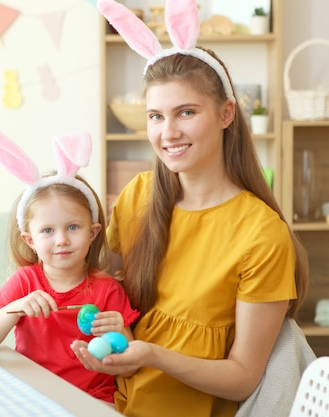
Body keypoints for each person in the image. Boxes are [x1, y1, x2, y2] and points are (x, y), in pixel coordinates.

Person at [70, 1, 310, 416]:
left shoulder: (261, 233)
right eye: (156, 116)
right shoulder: (138, 196)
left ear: (226, 114)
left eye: (186, 112)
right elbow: (102, 290)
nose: (169, 132)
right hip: (108, 400)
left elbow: (243, 377)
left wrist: (153, 356)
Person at [0, 122, 140, 404]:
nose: (62, 240)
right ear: (30, 240)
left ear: (93, 233)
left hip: (93, 399)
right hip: (32, 397)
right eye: (48, 231)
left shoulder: (106, 290)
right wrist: (15, 307)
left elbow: (131, 363)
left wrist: (119, 331)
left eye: (73, 228)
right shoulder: (25, 282)